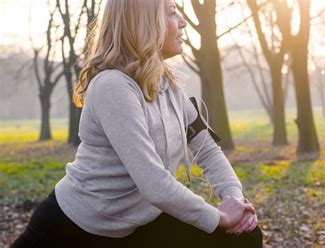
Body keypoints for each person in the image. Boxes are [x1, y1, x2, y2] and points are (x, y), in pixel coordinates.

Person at [12, 0, 262, 247]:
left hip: (139, 225)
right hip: (73, 228)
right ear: (145, 23)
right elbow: (155, 185)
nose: (183, 22)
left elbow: (207, 150)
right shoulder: (112, 86)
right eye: (173, 13)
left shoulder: (168, 87)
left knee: (245, 238)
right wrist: (220, 217)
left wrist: (236, 201)